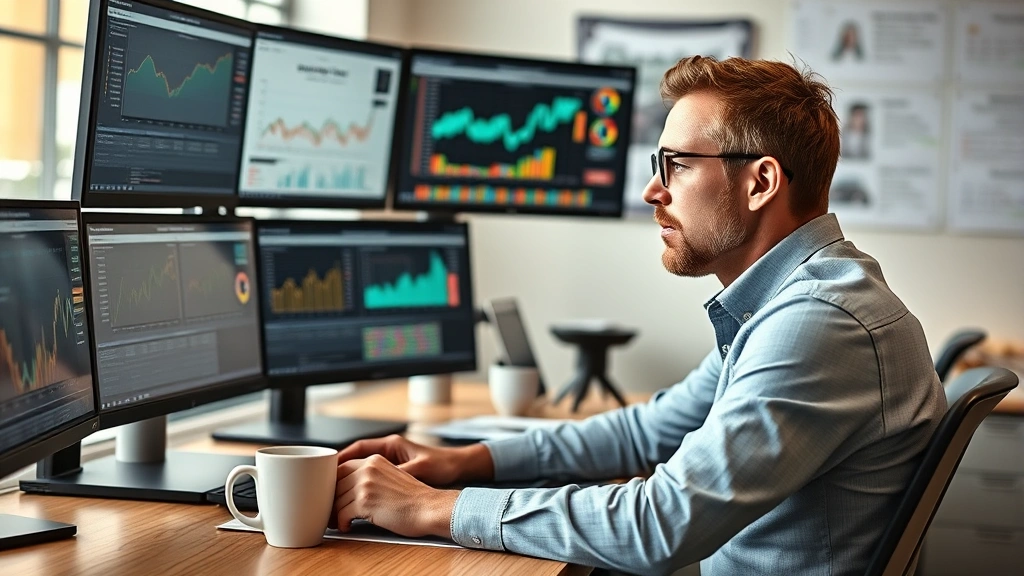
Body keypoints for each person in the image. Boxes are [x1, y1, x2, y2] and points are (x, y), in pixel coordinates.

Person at [331, 56, 946, 576]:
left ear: (760, 182)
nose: (653, 191)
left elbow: (660, 526)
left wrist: (431, 508)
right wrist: (464, 462)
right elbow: (646, 433)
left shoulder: (818, 323)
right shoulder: (792, 303)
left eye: (677, 164)